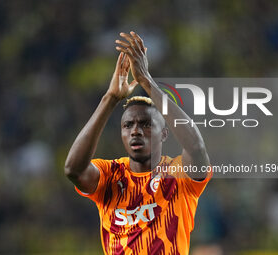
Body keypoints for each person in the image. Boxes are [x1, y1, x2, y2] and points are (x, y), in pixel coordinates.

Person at [65, 31, 212, 255]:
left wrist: (146, 81)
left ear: (163, 134)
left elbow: (197, 149)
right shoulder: (109, 175)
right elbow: (73, 170)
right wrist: (111, 98)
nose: (135, 131)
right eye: (128, 125)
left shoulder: (178, 174)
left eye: (145, 124)